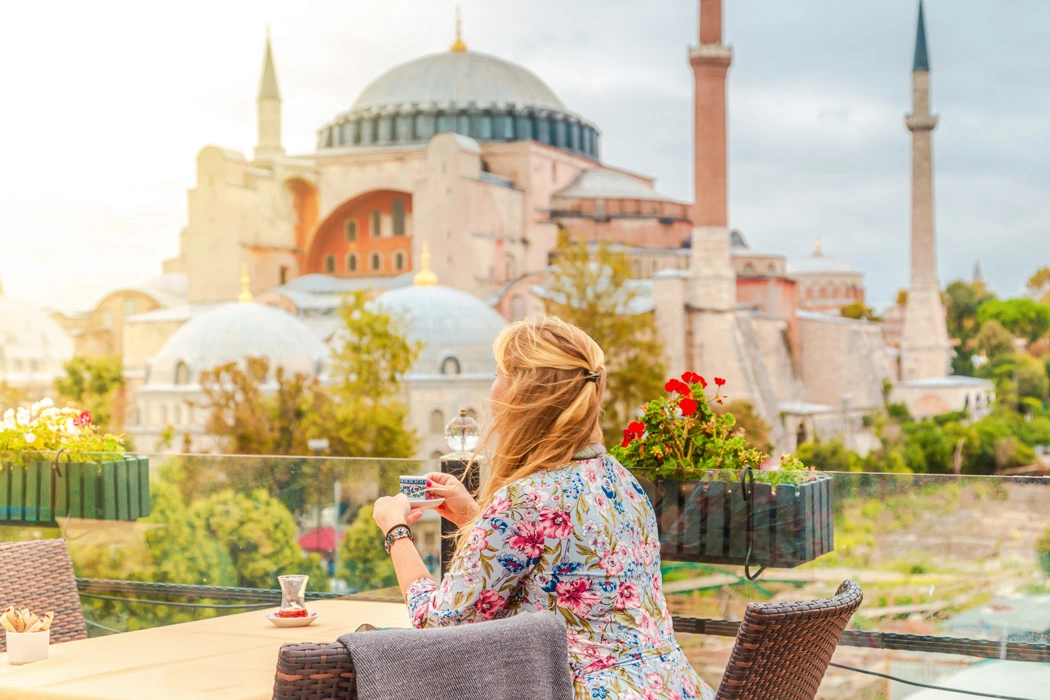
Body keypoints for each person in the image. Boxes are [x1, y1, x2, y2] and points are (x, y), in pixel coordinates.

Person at [372, 316, 715, 699]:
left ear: (521, 393)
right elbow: (556, 563)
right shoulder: (619, 478)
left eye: (499, 372)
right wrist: (477, 518)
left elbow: (438, 629)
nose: (492, 387)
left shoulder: (525, 499)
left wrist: (395, 530)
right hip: (676, 688)